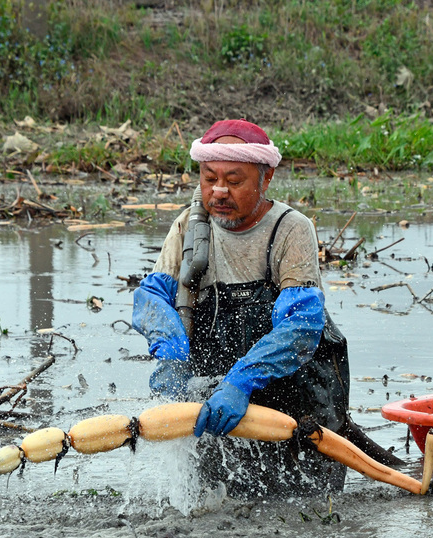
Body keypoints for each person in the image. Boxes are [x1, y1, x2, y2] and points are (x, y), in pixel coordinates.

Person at [132, 119, 360, 497]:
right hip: (215, 396)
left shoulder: (290, 229)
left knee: (306, 507)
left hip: (297, 394)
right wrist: (171, 354)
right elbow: (151, 297)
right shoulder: (190, 225)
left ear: (265, 178)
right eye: (209, 179)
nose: (219, 191)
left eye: (234, 181)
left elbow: (301, 325)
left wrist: (241, 382)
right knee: (219, 502)